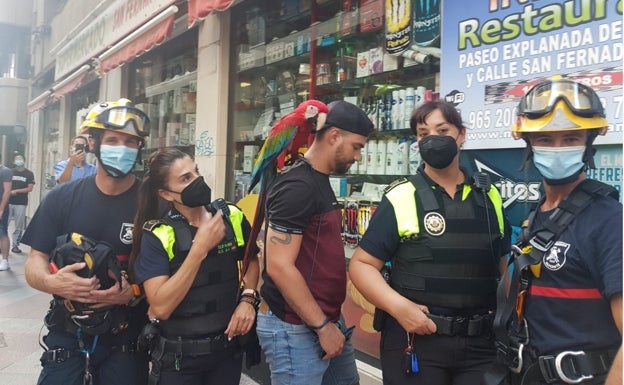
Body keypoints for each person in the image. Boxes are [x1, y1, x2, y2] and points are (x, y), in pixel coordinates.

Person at [348, 100, 511, 385]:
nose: (433, 139)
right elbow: (361, 265)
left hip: (480, 347)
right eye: (424, 133)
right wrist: (400, 308)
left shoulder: (490, 196)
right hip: (417, 342)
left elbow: (502, 268)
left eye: (442, 129)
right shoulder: (402, 196)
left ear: (462, 135)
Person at [487, 78, 622, 385]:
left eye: (571, 138)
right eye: (545, 139)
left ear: (589, 143)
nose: (558, 149)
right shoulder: (538, 215)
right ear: (529, 145)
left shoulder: (610, 222)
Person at [22, 98, 151, 385]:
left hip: (127, 338)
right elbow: (35, 261)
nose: (123, 148)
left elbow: (172, 271)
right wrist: (53, 283)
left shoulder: (153, 204)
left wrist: (133, 291)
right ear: (93, 143)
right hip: (68, 335)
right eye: (114, 140)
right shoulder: (62, 198)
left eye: (131, 142)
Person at [257, 100, 373, 385]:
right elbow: (279, 266)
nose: (358, 156)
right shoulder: (297, 186)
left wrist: (330, 321)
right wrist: (322, 326)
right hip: (296, 328)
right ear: (334, 137)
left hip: (326, 320)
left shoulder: (317, 180)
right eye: (357, 146)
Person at [129, 147, 260, 385]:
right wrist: (199, 249)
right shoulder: (159, 234)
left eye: (196, 171)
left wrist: (248, 299)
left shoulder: (230, 216)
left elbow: (251, 261)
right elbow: (160, 307)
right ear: (166, 194)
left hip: (227, 354)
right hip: (180, 362)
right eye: (185, 178)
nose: (197, 181)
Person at [9, 153, 35, 254]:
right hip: (8, 202)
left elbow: (30, 188)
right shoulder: (10, 172)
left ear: (24, 160)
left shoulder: (29, 173)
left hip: (21, 203)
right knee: (3, 225)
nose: (18, 160)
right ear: (14, 161)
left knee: (18, 225)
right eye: (16, 159)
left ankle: (15, 245)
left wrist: (16, 191)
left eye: (20, 158)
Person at [0, 158, 12, 271]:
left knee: (2, 232)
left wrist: (1, 209)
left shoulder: (5, 171)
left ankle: (5, 260)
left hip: (1, 206)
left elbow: (7, 191)